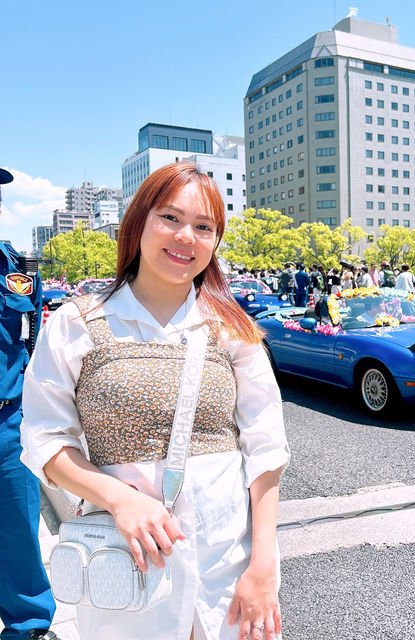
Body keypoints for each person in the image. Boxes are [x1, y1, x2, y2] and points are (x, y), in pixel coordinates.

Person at [20, 164, 290, 640]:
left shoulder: (232, 329)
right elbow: (44, 440)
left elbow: (266, 449)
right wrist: (119, 498)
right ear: (138, 222)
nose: (187, 236)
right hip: (124, 563)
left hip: (226, 564)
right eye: (170, 217)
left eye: (204, 227)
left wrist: (265, 564)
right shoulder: (76, 324)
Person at [1, 168, 60, 640]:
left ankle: (28, 627)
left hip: (7, 420)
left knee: (19, 529)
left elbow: (31, 342)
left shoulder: (15, 269)